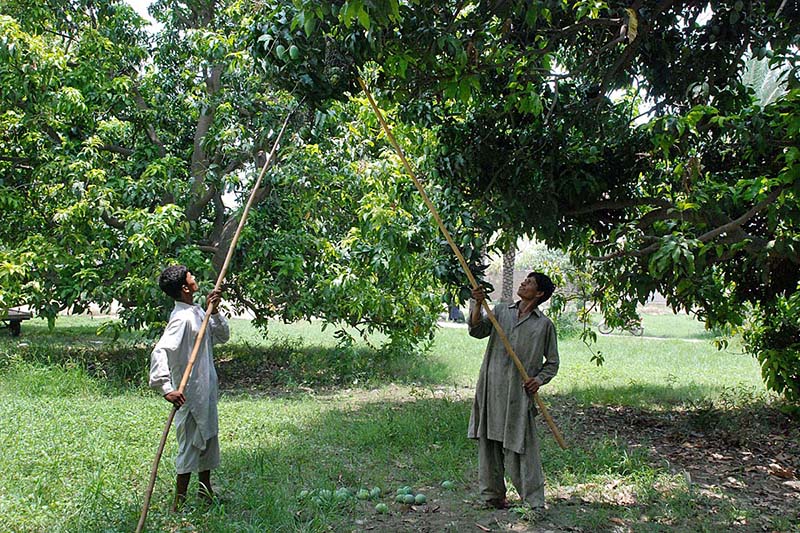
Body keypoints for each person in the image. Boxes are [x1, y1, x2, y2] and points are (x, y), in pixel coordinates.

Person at [467, 272, 559, 514]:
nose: (523, 283)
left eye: (529, 282)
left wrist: (538, 380)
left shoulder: (544, 325)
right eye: (524, 280)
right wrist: (477, 303)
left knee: (521, 444)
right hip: (492, 386)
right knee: (488, 440)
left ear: (539, 294)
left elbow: (552, 363)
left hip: (519, 393)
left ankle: (533, 501)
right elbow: (476, 330)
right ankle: (492, 497)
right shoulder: (500, 311)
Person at [150, 265, 230, 511]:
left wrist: (213, 311)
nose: (195, 278)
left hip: (205, 388)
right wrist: (165, 388)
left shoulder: (196, 311)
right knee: (189, 447)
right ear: (185, 287)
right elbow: (160, 350)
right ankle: (179, 504)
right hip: (188, 394)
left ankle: (205, 494)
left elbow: (223, 336)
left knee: (208, 440)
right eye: (191, 277)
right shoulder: (181, 319)